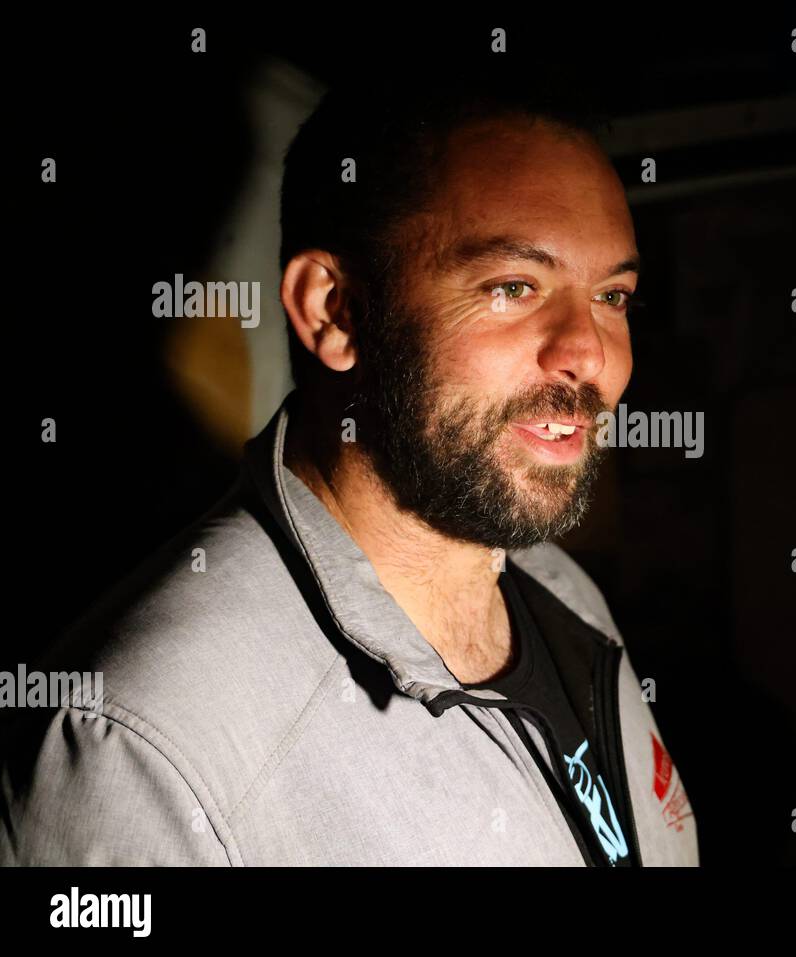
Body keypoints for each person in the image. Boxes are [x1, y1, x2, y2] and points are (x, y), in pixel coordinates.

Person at [0, 66, 698, 866]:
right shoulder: (146, 748)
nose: (590, 357)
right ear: (335, 310)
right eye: (514, 286)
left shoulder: (560, 593)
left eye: (612, 297)